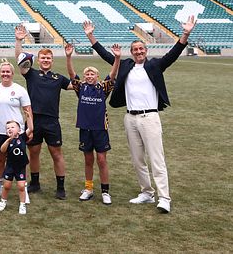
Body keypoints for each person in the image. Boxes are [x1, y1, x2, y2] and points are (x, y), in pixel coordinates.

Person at [83, 16, 197, 214]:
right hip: (131, 118)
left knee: (156, 159)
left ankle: (164, 198)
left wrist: (185, 33)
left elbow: (174, 53)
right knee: (137, 159)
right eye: (135, 49)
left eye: (141, 49)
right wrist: (91, 36)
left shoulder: (154, 65)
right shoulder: (125, 65)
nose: (138, 52)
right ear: (131, 52)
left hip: (150, 118)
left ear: (146, 51)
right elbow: (106, 56)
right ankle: (146, 192)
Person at [15, 25, 72, 200]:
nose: (46, 60)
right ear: (38, 60)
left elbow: (74, 86)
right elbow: (19, 60)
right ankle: (35, 183)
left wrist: (69, 58)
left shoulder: (58, 78)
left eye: (48, 58)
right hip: (33, 120)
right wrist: (19, 40)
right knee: (34, 152)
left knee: (56, 153)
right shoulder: (30, 74)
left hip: (52, 121)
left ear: (52, 61)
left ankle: (60, 187)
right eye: (43, 58)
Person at [65, 42, 120, 205]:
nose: (89, 76)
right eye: (87, 74)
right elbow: (71, 74)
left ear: (97, 76)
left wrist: (117, 58)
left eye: (92, 74)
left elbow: (113, 74)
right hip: (85, 129)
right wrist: (68, 57)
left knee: (101, 160)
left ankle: (105, 191)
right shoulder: (80, 87)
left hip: (100, 130)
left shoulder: (103, 88)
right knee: (88, 160)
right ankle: (88, 189)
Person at [0, 60, 33, 201]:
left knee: (19, 160)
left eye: (8, 71)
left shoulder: (20, 90)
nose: (5, 74)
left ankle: (23, 190)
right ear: (0, 73)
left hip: (17, 132)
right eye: (3, 71)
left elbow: (27, 110)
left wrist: (30, 129)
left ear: (12, 73)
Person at [0, 120, 29, 215]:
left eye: (12, 127)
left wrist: (28, 117)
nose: (10, 129)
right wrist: (8, 140)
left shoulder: (22, 137)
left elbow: (31, 129)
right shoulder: (6, 140)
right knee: (6, 186)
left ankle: (22, 204)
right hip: (10, 167)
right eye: (8, 128)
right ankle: (3, 201)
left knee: (21, 186)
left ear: (19, 130)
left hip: (20, 167)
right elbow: (2, 150)